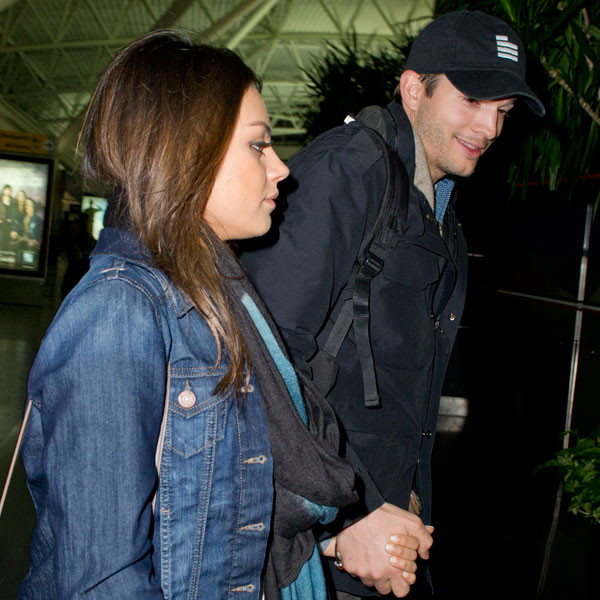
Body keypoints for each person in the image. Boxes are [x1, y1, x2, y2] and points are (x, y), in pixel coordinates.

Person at [17, 30, 365, 600]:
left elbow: (218, 500)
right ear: (187, 150)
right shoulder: (121, 313)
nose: (281, 169)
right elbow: (101, 582)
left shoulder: (215, 296)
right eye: (259, 145)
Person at [242, 10, 545, 598]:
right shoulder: (345, 175)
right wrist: (347, 519)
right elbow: (261, 362)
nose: (488, 128)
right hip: (323, 539)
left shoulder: (437, 204)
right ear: (413, 89)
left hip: (388, 533)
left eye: (502, 111)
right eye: (472, 100)